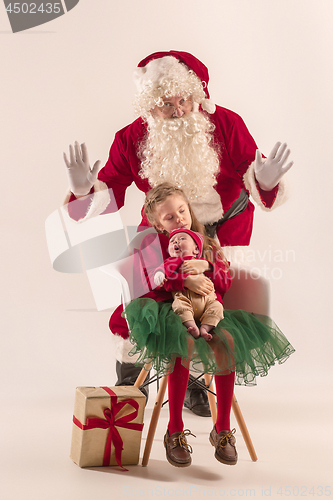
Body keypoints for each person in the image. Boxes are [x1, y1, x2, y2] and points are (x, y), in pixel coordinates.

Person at [63, 50, 294, 416]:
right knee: (141, 299)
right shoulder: (131, 138)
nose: (177, 110)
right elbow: (110, 192)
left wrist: (263, 182)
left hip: (224, 231)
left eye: (184, 99)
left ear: (196, 95)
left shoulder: (226, 124)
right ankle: (131, 375)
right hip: (161, 231)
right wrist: (82, 192)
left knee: (211, 303)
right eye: (165, 104)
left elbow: (253, 167)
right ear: (148, 106)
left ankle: (197, 384)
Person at [123, 183, 294, 467]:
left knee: (226, 341)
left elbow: (224, 285)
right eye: (169, 217)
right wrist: (184, 280)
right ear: (156, 223)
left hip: (207, 309)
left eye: (182, 211)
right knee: (184, 342)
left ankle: (222, 428)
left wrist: (209, 269)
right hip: (166, 310)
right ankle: (174, 429)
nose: (179, 219)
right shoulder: (151, 244)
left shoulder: (207, 242)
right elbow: (148, 283)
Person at [154, 228, 224, 341]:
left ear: (196, 249)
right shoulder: (172, 261)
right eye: (172, 241)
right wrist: (159, 275)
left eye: (182, 239)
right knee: (179, 306)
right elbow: (162, 269)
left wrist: (208, 266)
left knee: (218, 307)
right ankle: (192, 325)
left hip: (208, 301)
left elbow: (222, 280)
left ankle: (205, 328)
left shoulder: (201, 262)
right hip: (184, 298)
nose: (175, 242)